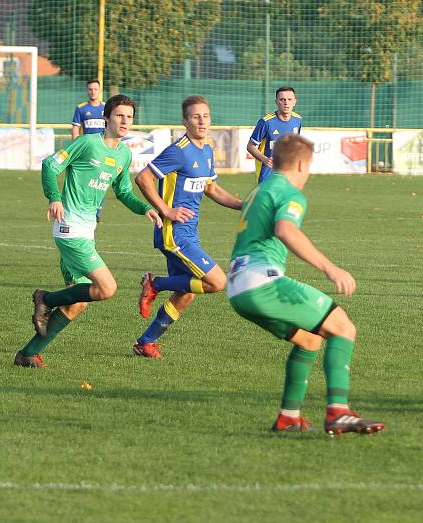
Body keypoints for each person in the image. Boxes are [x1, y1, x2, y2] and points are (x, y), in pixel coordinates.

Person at [227, 133, 385, 436]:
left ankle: (289, 416)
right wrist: (330, 267)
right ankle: (338, 411)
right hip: (262, 283)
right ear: (302, 164)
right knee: (343, 328)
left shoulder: (260, 189)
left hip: (238, 288)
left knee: (310, 340)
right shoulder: (289, 192)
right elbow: (286, 230)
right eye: (309, 166)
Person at [16, 94, 161, 368]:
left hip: (86, 232)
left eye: (129, 117)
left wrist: (144, 208)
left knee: (79, 301)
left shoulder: (124, 154)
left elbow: (124, 191)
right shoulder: (87, 143)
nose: (125, 121)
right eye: (119, 115)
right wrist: (54, 197)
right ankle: (44, 299)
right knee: (107, 288)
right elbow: (50, 165)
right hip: (69, 229)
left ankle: (27, 354)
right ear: (106, 118)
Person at [133, 96, 243, 359]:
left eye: (205, 115)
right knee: (217, 282)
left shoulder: (206, 151)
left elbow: (212, 188)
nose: (202, 120)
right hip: (174, 232)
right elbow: (143, 177)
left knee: (185, 294)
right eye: (196, 116)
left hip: (190, 231)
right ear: (185, 121)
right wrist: (166, 209)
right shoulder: (179, 150)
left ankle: (145, 343)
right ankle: (155, 283)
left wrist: (243, 205)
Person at [247, 86, 302, 184]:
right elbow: (250, 146)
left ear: (295, 102)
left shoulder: (298, 120)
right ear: (276, 102)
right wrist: (264, 159)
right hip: (267, 176)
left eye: (289, 99)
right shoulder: (266, 122)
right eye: (282, 99)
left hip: (287, 175)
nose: (286, 103)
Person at [72, 79, 107, 222]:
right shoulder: (81, 108)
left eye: (95, 89)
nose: (93, 92)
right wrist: (76, 148)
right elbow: (75, 128)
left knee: (103, 179)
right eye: (90, 89)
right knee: (86, 179)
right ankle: (85, 207)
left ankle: (97, 209)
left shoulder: (107, 108)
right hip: (87, 150)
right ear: (87, 91)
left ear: (100, 91)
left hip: (103, 150)